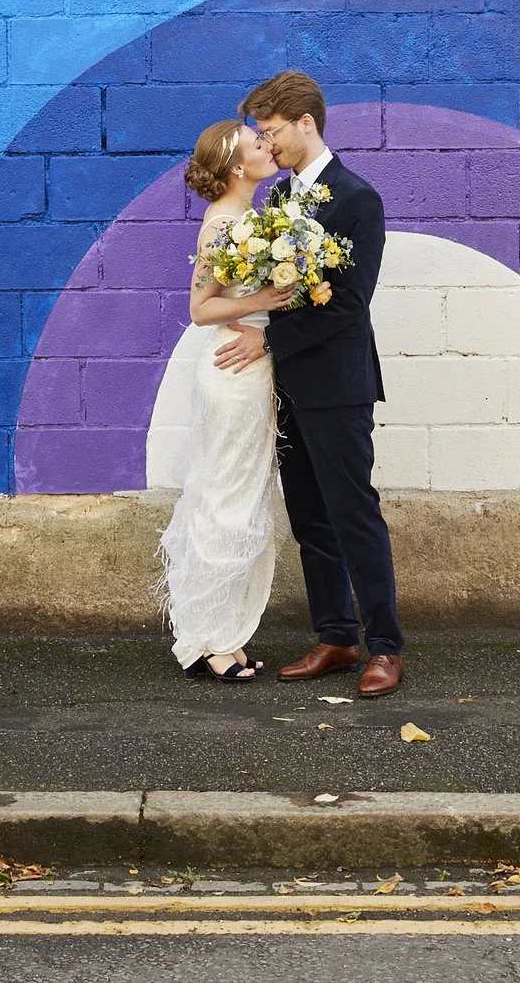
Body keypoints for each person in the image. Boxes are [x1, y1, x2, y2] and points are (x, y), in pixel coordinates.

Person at [211, 70, 403, 698]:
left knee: (353, 515)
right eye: (261, 135)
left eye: (273, 133)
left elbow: (348, 303)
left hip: (338, 385)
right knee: (310, 519)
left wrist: (267, 339)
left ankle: (385, 647)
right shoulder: (280, 203)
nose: (269, 146)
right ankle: (337, 636)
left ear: (306, 124)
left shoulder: (357, 199)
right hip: (287, 386)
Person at [159, 119, 293, 681]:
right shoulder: (220, 227)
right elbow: (200, 309)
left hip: (255, 370)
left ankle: (226, 632)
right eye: (257, 143)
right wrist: (264, 297)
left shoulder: (257, 219)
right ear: (238, 166)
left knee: (244, 494)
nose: (268, 145)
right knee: (222, 497)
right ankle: (206, 639)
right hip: (231, 374)